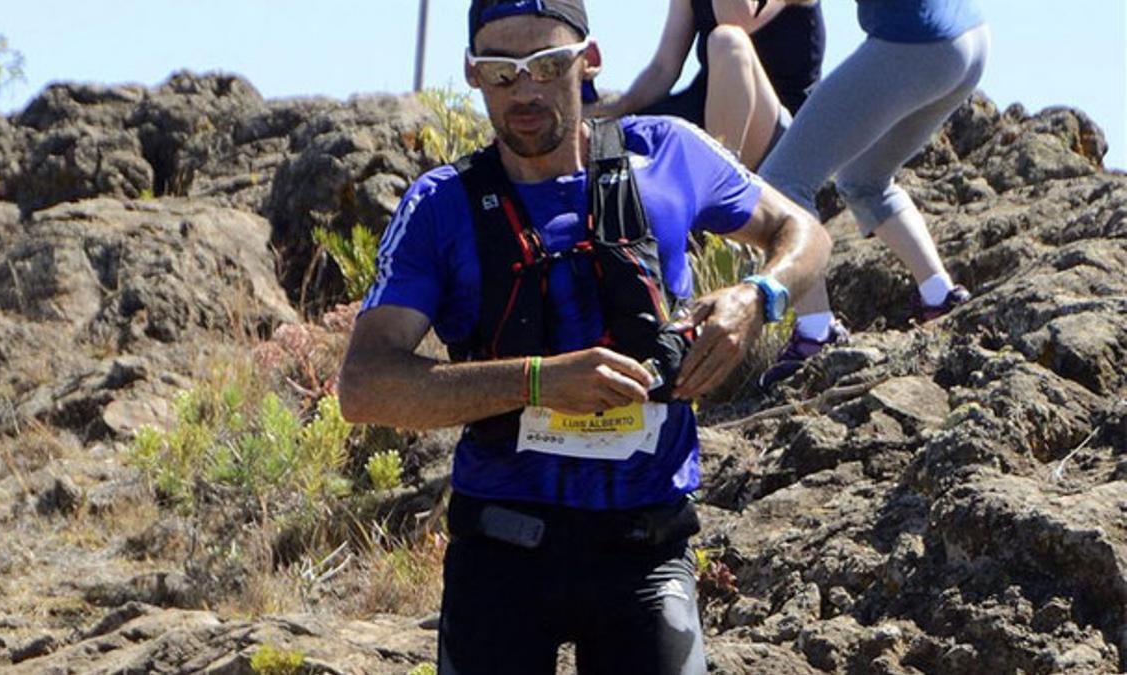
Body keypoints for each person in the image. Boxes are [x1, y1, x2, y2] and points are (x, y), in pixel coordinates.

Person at [337, 1, 830, 672]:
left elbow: (803, 233)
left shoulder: (667, 154)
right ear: (472, 76)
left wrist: (756, 296)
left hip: (644, 547)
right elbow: (365, 387)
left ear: (588, 61)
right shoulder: (439, 205)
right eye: (502, 72)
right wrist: (540, 380)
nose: (526, 90)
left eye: (545, 65)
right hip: (500, 548)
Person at [757, 0, 990, 387]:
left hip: (914, 43)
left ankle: (815, 337)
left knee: (780, 184)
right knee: (865, 179)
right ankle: (940, 297)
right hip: (969, 41)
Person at [587, 0, 824, 169]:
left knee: (728, 41)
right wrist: (619, 106)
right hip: (710, 114)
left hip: (782, 134)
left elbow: (736, 18)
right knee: (614, 140)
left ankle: (722, 184)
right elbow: (664, 68)